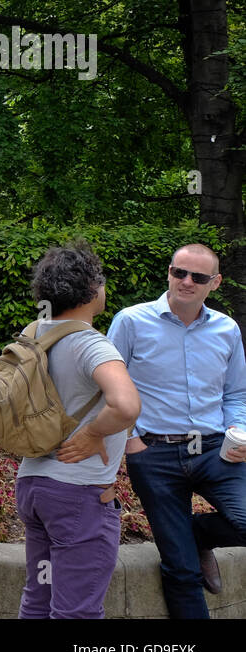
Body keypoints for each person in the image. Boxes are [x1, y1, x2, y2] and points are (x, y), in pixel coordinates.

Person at [107, 243, 246, 618]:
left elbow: (236, 393)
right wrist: (131, 440)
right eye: (178, 272)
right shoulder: (131, 321)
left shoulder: (226, 329)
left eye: (198, 277)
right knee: (181, 569)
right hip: (154, 454)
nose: (186, 282)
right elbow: (108, 386)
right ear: (169, 272)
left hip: (215, 449)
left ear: (214, 282)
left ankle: (196, 534)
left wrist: (239, 429)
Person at [13, 245, 140, 618]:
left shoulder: (34, 333)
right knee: (77, 612)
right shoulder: (90, 344)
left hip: (34, 487)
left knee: (39, 598)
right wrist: (94, 434)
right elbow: (126, 405)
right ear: (92, 289)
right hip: (78, 496)